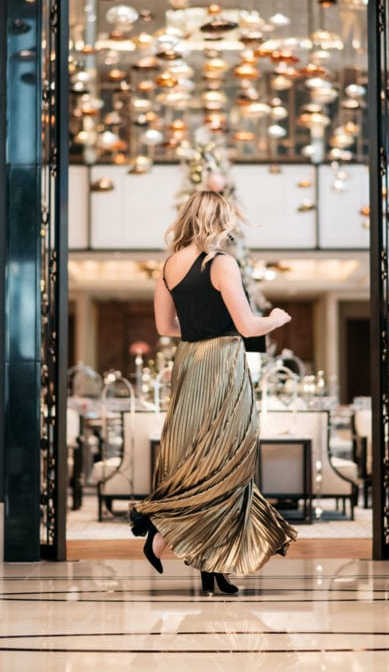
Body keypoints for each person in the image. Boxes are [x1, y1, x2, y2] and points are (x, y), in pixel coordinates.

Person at [129, 190, 297, 595]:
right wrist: (274, 318)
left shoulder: (169, 266)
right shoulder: (220, 263)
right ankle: (165, 533)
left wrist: (196, 332)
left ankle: (211, 567)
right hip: (222, 364)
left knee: (197, 459)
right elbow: (247, 325)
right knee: (228, 462)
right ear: (218, 221)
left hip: (190, 363)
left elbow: (165, 327)